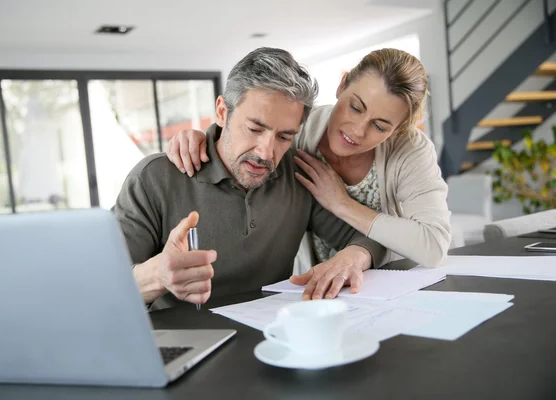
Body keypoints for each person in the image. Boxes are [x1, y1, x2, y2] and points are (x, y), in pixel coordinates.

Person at [113, 47, 386, 310]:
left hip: (271, 337)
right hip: (181, 343)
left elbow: (366, 237)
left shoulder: (298, 173)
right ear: (222, 112)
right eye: (255, 128)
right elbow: (102, 287)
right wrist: (157, 275)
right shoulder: (154, 178)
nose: (266, 152)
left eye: (284, 137)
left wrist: (354, 257)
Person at [165, 48, 451, 270]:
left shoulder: (410, 150)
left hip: (392, 280)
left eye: (380, 126)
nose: (357, 130)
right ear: (342, 85)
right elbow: (252, 132)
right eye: (355, 107)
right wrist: (205, 137)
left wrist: (341, 203)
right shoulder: (298, 130)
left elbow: (433, 247)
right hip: (318, 283)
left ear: (398, 130)